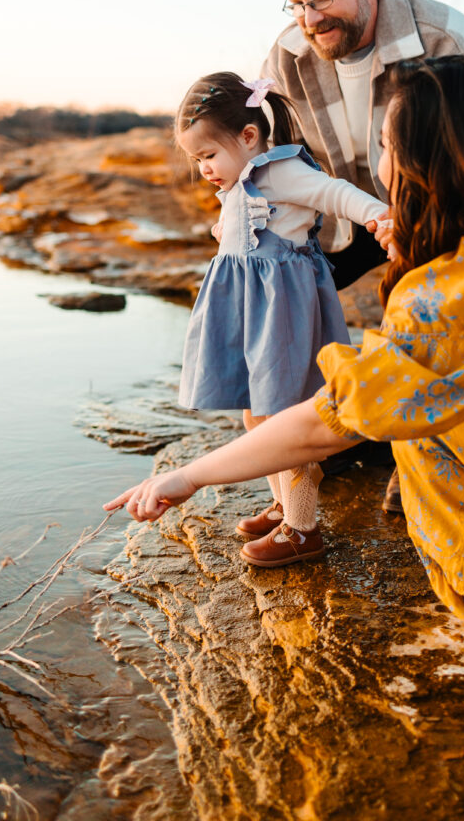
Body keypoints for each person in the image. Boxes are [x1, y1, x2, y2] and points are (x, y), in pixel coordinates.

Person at [105, 56, 464, 690]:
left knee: (419, 431)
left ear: (429, 159)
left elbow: (335, 419)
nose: (379, 164)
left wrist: (189, 476)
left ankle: (325, 528)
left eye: (388, 145)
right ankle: (287, 506)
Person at [264, 0, 464, 505]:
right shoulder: (288, 54)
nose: (309, 20)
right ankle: (310, 457)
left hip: (441, 216)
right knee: (268, 290)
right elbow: (268, 155)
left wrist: (411, 233)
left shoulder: (450, 43)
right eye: (295, 4)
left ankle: (425, 450)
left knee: (429, 302)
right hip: (340, 218)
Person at [171, 70, 389, 566]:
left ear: (249, 137)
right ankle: (286, 499)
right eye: (196, 159)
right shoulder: (238, 180)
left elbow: (335, 193)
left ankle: (302, 528)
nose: (204, 168)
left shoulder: (281, 172)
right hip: (249, 310)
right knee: (254, 411)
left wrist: (379, 215)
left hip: (282, 313)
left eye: (208, 155)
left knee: (281, 413)